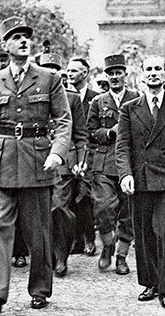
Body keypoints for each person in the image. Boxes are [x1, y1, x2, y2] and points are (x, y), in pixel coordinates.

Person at [0, 16, 71, 313]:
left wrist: (58, 152)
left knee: (38, 231)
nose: (23, 41)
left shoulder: (49, 79)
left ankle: (39, 289)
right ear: (4, 45)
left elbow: (64, 120)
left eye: (26, 36)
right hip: (1, 162)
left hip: (38, 160)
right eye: (16, 37)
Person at [115, 55, 165, 310]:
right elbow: (123, 145)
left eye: (158, 69)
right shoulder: (129, 108)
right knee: (145, 234)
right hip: (140, 179)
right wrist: (125, 173)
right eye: (149, 69)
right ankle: (150, 283)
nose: (154, 73)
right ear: (142, 74)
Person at [87, 54, 138, 275]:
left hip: (129, 163)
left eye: (118, 72)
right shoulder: (98, 102)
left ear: (126, 75)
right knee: (103, 208)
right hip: (105, 161)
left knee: (128, 212)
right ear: (106, 76)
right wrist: (108, 132)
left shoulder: (137, 98)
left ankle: (121, 256)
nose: (115, 77)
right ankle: (107, 244)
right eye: (111, 73)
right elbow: (89, 131)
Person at [38, 53, 88, 278]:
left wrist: (79, 160)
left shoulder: (73, 98)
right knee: (39, 212)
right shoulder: (31, 94)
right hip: (35, 159)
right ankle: (43, 255)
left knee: (59, 208)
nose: (49, 74)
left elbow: (80, 135)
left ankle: (60, 256)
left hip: (63, 165)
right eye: (45, 69)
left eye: (54, 70)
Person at [67, 57, 100, 256]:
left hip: (88, 153)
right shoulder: (61, 96)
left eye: (74, 71)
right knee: (68, 198)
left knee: (85, 197)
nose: (69, 74)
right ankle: (75, 240)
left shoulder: (95, 98)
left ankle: (89, 238)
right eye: (68, 71)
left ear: (84, 73)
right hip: (67, 152)